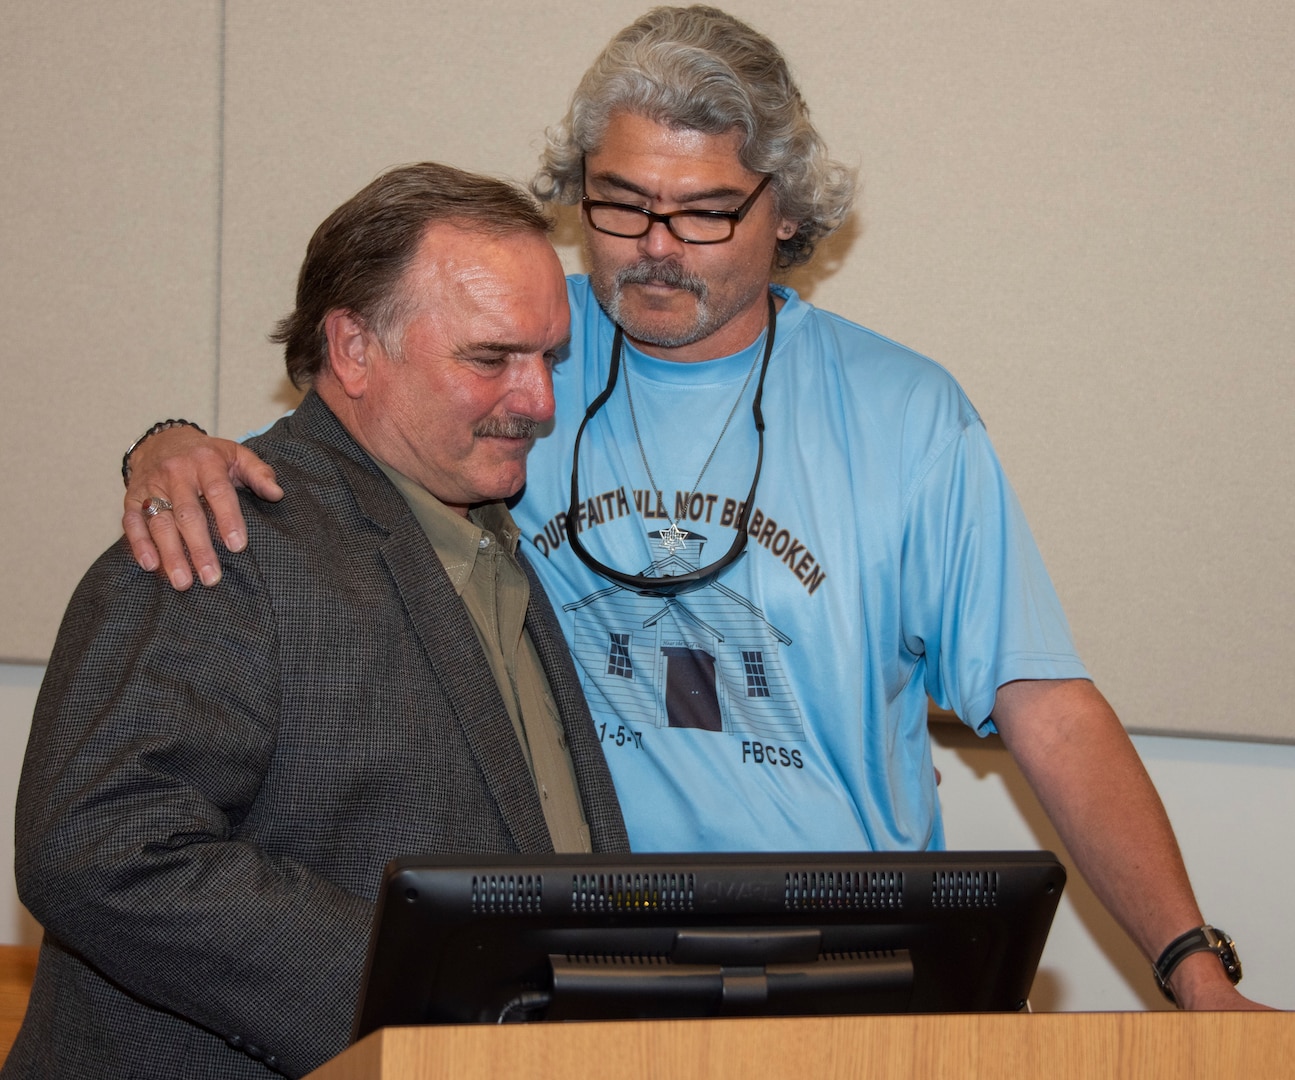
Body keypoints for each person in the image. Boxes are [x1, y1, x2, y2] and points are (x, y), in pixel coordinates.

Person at [118, 7, 1263, 1009]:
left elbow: (1047, 711)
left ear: (789, 216)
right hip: (560, 969)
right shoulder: (519, 353)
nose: (655, 250)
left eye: (703, 212)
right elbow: (327, 442)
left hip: (844, 973)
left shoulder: (909, 416)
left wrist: (1195, 975)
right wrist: (166, 443)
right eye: (618, 204)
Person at [6, 163, 629, 1079]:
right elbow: (100, 847)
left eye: (549, 359)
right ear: (353, 350)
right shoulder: (221, 533)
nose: (537, 401)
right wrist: (433, 997)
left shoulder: (490, 539)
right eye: (490, 358)